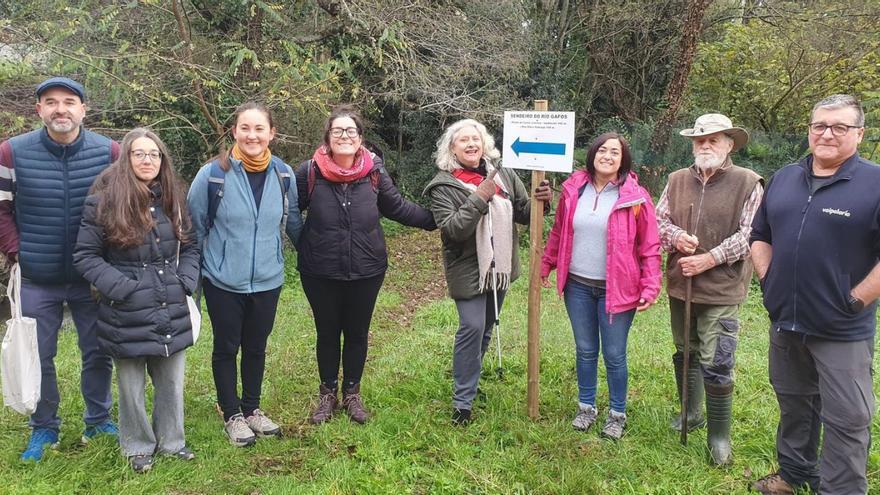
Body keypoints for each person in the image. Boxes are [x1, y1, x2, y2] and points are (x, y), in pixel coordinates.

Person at [749, 95, 878, 495]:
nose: (827, 134)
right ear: (809, 129)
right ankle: (793, 474)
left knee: (847, 418)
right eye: (819, 125)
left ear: (859, 133)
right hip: (786, 321)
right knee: (794, 403)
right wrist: (769, 280)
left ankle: (840, 489)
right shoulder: (786, 177)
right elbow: (760, 235)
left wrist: (855, 298)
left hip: (841, 327)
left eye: (839, 127)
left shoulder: (874, 183)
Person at [0, 77, 119, 462]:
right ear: (38, 110)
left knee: (98, 350)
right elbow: (1, 209)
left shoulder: (110, 152)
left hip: (94, 277)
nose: (60, 109)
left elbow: (124, 207)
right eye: (50, 102)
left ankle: (98, 419)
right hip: (38, 276)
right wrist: (19, 252)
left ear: (84, 109)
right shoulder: (11, 153)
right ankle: (44, 427)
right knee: (38, 354)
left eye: (69, 102)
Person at [296, 105, 435, 425]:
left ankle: (353, 395)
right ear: (327, 138)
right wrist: (302, 242)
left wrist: (436, 220)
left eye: (351, 131)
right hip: (320, 269)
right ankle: (327, 395)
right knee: (327, 332)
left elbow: (397, 207)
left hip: (367, 267)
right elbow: (288, 209)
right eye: (338, 131)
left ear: (361, 139)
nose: (344, 136)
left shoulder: (375, 172)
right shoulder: (309, 171)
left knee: (357, 332)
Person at [73, 128, 199, 473]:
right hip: (124, 310)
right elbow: (86, 256)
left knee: (171, 381)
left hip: (169, 303)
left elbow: (190, 246)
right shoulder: (103, 202)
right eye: (139, 154)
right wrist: (122, 288)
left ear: (163, 160)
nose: (148, 160)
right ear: (126, 158)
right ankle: (137, 447)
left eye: (154, 154)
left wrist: (185, 281)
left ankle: (173, 443)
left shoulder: (173, 198)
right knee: (131, 385)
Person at [187, 102, 303, 447]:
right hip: (223, 279)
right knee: (226, 346)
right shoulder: (212, 175)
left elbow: (293, 221)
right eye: (245, 128)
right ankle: (232, 413)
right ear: (233, 131)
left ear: (272, 133)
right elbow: (194, 229)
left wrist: (318, 259)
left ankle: (252, 408)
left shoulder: (283, 174)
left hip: (268, 278)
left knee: (256, 346)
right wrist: (192, 278)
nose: (252, 135)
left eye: (259, 129)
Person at [424, 118, 551, 426]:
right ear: (451, 149)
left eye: (476, 139)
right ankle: (462, 402)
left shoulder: (503, 173)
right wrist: (480, 196)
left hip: (501, 268)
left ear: (484, 144)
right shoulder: (443, 185)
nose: (471, 144)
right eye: (463, 140)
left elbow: (524, 213)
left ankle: (470, 380)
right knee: (471, 327)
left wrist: (543, 201)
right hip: (467, 268)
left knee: (486, 327)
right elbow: (454, 229)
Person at [656, 113, 763, 465]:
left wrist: (709, 259)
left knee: (717, 361)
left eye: (713, 139)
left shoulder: (748, 182)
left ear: (729, 144)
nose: (705, 145)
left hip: (722, 288)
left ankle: (719, 438)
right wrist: (676, 237)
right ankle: (691, 413)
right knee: (685, 351)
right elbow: (659, 222)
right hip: (681, 284)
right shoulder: (676, 180)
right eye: (700, 140)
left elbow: (751, 235)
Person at [540, 132, 661, 440]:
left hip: (617, 289)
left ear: (623, 160)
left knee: (615, 354)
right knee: (585, 350)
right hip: (578, 287)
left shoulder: (636, 197)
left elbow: (649, 245)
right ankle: (586, 407)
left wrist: (650, 285)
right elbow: (559, 233)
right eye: (603, 150)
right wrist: (547, 262)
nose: (607, 156)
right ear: (593, 154)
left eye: (615, 152)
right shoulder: (572, 190)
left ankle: (617, 414)